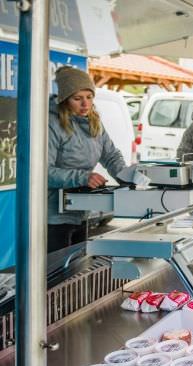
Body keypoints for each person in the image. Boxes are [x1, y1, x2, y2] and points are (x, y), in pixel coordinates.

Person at [48, 66, 126, 253]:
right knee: (56, 276)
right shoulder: (51, 124)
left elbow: (111, 155)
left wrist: (129, 176)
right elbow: (43, 172)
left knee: (76, 271)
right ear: (64, 100)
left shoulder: (94, 123)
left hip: (81, 212)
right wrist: (83, 177)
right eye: (77, 98)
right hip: (53, 217)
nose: (85, 104)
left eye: (89, 97)